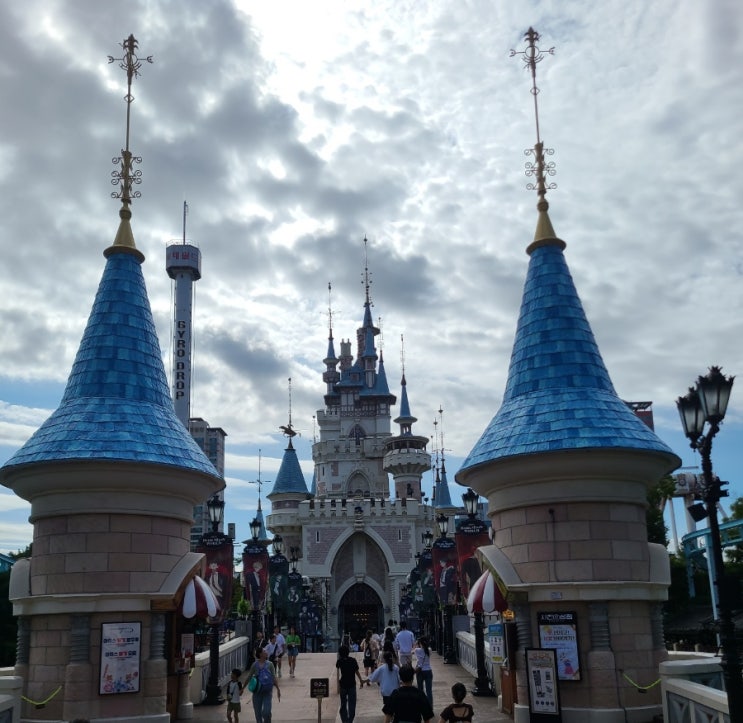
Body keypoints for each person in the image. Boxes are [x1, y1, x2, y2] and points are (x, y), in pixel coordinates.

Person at [246, 648, 280, 723]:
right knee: (258, 713)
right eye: (264, 651)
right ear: (260, 654)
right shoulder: (254, 665)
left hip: (267, 691)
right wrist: (242, 688)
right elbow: (249, 676)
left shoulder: (270, 664)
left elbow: (273, 677)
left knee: (266, 712)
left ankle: (268, 719)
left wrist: (278, 689)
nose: (266, 652)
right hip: (257, 692)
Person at [367, 651, 400, 723]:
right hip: (395, 692)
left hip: (386, 692)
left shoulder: (381, 668)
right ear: (392, 658)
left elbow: (373, 677)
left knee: (388, 710)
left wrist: (364, 681)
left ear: (384, 659)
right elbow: (400, 679)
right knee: (395, 709)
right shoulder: (396, 667)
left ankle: (389, 720)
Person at [336, 644, 364, 723]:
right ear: (348, 652)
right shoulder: (353, 660)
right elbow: (356, 671)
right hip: (352, 684)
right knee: (352, 704)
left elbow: (337, 668)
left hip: (343, 685)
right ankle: (350, 720)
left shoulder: (339, 661)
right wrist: (361, 680)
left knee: (343, 703)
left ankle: (344, 720)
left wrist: (339, 656)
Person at [413, 636, 433, 708]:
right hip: (428, 670)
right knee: (429, 691)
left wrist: (416, 643)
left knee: (420, 690)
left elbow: (413, 648)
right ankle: (430, 707)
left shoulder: (417, 650)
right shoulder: (429, 649)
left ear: (420, 643)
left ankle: (421, 706)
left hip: (420, 671)